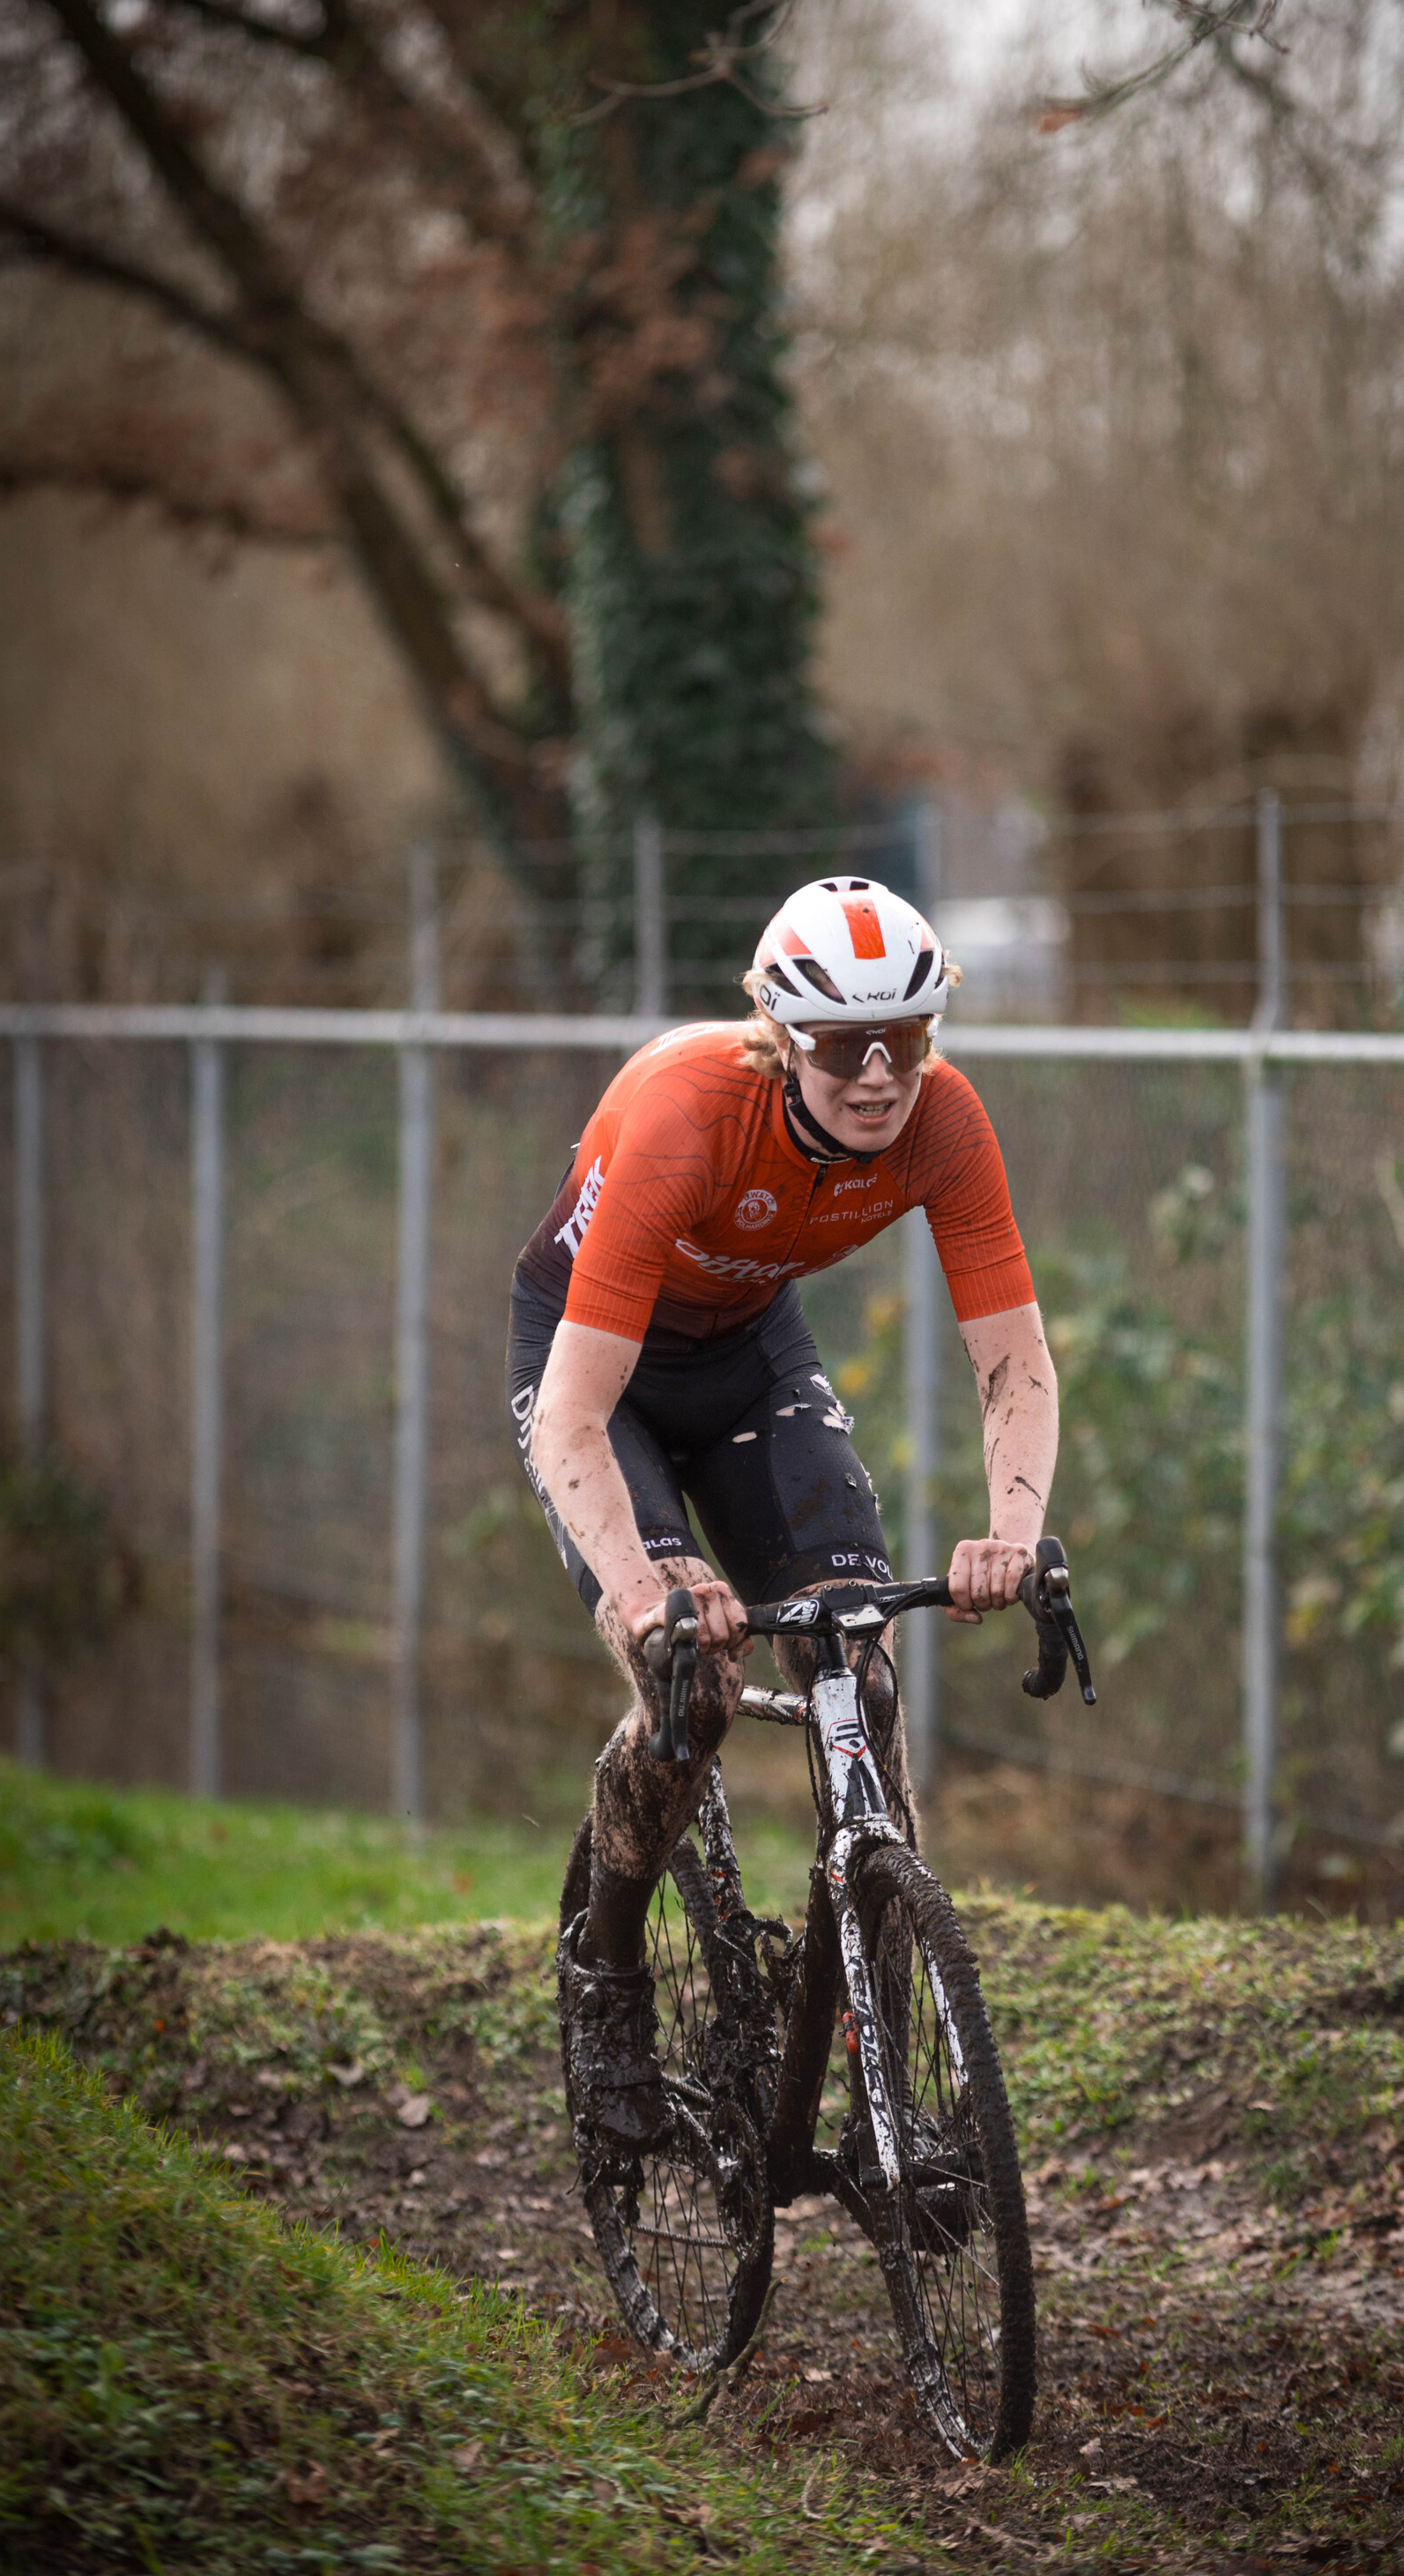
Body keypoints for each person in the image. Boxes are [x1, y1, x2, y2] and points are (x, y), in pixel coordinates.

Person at [507, 875, 1059, 2151]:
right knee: (688, 1683)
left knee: (856, 1660)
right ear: (778, 1036)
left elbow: (1017, 1364)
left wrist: (1012, 1541)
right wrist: (651, 1592)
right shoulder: (691, 1115)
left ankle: (885, 2053)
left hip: (750, 1353)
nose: (878, 1078)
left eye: (906, 1041)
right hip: (599, 1374)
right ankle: (607, 1976)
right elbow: (571, 1420)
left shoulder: (945, 1123)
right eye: (842, 1046)